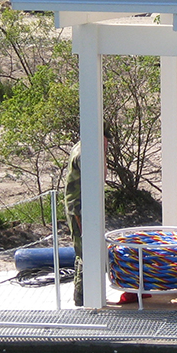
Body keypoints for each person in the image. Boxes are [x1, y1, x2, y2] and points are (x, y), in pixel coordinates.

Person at [62, 127, 112, 307]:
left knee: (84, 250)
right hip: (80, 208)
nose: (106, 147)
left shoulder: (83, 148)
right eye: (105, 142)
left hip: (81, 205)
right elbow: (99, 178)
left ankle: (82, 294)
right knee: (85, 250)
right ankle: (83, 295)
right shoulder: (86, 154)